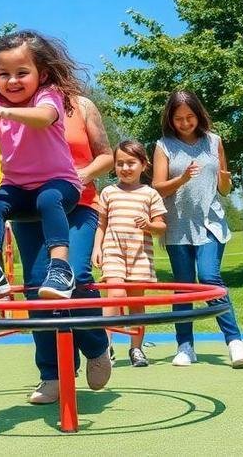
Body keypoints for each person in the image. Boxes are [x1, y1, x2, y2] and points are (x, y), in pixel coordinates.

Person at [0, 30, 84, 303]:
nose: (12, 80)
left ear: (41, 74)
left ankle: (61, 269)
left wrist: (7, 112)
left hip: (60, 184)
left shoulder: (47, 95)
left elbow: (44, 118)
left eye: (22, 72)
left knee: (49, 197)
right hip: (17, 188)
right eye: (4, 73)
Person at [17, 93, 114, 404]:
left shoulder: (80, 106)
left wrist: (81, 175)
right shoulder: (14, 108)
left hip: (77, 202)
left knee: (76, 272)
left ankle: (97, 347)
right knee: (36, 286)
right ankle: (54, 373)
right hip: (31, 210)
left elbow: (106, 155)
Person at [152, 90, 243, 368]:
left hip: (211, 222)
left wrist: (226, 180)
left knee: (209, 278)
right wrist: (182, 179)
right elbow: (158, 188)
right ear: (170, 120)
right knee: (183, 286)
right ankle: (185, 346)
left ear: (199, 115)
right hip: (178, 225)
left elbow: (224, 187)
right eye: (179, 119)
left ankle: (235, 342)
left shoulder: (214, 142)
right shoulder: (164, 145)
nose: (185, 123)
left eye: (190, 117)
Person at [93, 140, 167, 368]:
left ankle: (136, 348)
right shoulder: (109, 192)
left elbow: (161, 226)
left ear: (143, 165)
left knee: (136, 302)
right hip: (113, 251)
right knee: (114, 296)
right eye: (120, 163)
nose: (125, 168)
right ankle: (106, 346)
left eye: (131, 163)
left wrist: (149, 225)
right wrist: (97, 248)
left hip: (139, 255)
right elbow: (101, 224)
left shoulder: (150, 194)